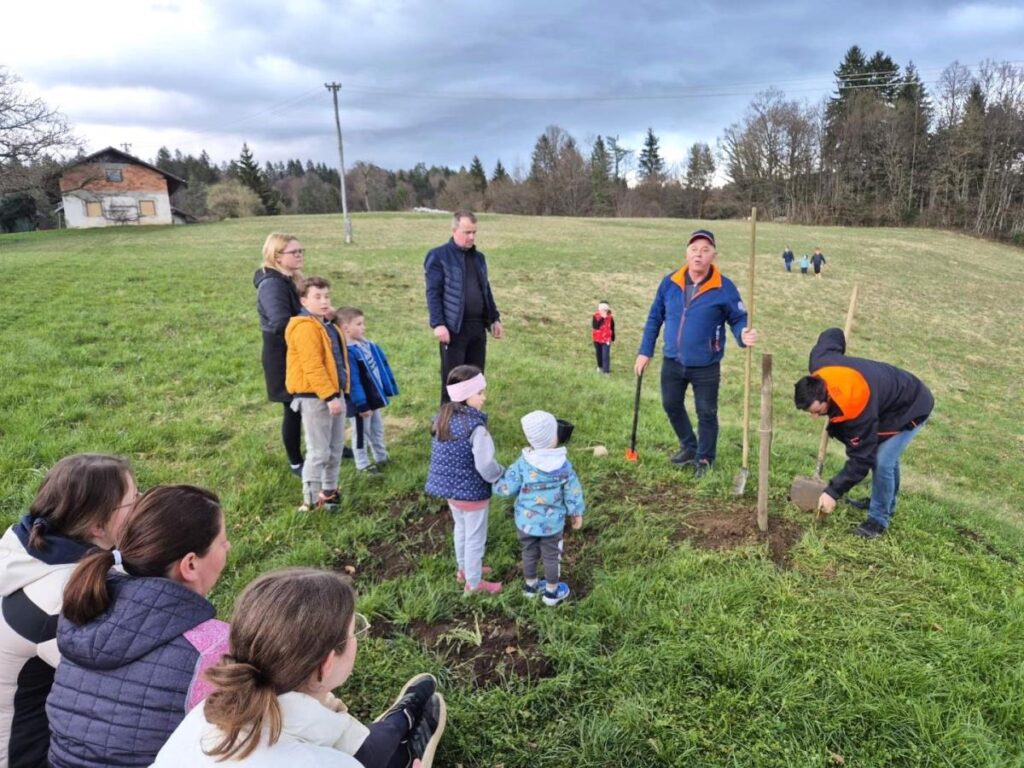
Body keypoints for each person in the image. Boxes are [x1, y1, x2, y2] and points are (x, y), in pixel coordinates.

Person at [152, 568, 446, 768]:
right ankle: (406, 736)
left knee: (373, 742)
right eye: (355, 631)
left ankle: (402, 719)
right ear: (326, 664)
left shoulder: (205, 715)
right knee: (386, 752)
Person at [47, 485, 232, 768]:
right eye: (222, 541)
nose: (228, 546)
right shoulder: (214, 646)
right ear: (190, 565)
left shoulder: (86, 609)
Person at [0, 454, 136, 768]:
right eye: (134, 501)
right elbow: (121, 685)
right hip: (28, 755)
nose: (142, 506)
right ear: (98, 527)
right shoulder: (63, 601)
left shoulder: (25, 545)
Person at [635, 228, 759, 477]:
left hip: (706, 365)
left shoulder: (724, 287)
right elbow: (654, 317)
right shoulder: (670, 282)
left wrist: (743, 335)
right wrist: (644, 351)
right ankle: (690, 446)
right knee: (671, 404)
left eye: (705, 250)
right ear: (687, 253)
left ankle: (704, 458)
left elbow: (738, 318)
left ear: (714, 254)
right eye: (694, 249)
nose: (699, 255)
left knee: (706, 412)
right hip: (673, 360)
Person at [793, 328, 934, 538]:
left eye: (817, 412)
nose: (815, 417)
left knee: (882, 460)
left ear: (828, 398)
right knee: (885, 457)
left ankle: (878, 520)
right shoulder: (821, 362)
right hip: (884, 398)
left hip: (910, 405)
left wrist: (832, 493)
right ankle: (884, 500)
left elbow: (861, 460)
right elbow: (832, 335)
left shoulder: (856, 409)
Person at [424, 365, 504, 594]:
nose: (484, 397)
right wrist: (500, 474)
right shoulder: (475, 428)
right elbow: (485, 465)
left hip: (451, 492)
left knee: (461, 529)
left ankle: (464, 570)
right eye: (480, 392)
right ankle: (474, 582)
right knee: (475, 537)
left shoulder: (443, 417)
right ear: (466, 395)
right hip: (472, 493)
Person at [493, 411, 585, 607]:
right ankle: (551, 593)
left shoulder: (523, 463)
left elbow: (507, 487)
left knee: (529, 552)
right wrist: (576, 512)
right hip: (552, 525)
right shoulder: (563, 465)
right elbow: (573, 491)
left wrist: (494, 483)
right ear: (554, 436)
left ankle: (530, 587)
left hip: (526, 523)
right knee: (552, 556)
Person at [424, 210, 503, 404]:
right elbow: (433, 292)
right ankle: (447, 426)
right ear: (454, 230)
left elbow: (486, 289)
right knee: (453, 382)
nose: (472, 237)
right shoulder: (438, 256)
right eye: (467, 232)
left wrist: (494, 318)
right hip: (453, 329)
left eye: (474, 232)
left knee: (476, 381)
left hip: (477, 329)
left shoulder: (479, 258)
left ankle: (471, 423)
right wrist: (438, 324)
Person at [286, 277, 351, 511]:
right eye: (317, 297)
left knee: (334, 449)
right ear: (304, 301)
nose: (324, 301)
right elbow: (312, 366)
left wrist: (340, 393)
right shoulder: (304, 328)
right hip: (316, 397)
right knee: (319, 451)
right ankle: (310, 501)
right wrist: (329, 396)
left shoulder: (328, 326)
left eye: (327, 296)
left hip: (335, 393)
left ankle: (329, 492)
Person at [255, 232, 308, 478]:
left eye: (301, 251)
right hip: (282, 355)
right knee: (293, 408)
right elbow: (280, 323)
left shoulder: (289, 280)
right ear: (277, 256)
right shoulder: (272, 284)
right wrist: (309, 325)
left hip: (299, 351)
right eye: (294, 252)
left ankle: (328, 447)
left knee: (314, 404)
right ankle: (296, 461)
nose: (299, 256)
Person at [337, 307, 399, 475]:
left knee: (376, 429)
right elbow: (354, 381)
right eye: (359, 324)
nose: (364, 327)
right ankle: (362, 465)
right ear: (345, 328)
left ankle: (381, 457)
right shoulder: (349, 352)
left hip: (373, 398)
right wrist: (362, 404)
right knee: (360, 434)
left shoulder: (366, 344)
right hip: (360, 403)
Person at [591, 301, 615, 374]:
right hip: (597, 339)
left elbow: (612, 327)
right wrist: (602, 318)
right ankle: (600, 366)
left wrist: (613, 336)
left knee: (605, 355)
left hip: (606, 339)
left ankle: (606, 371)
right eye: (601, 309)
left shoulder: (610, 317)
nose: (603, 311)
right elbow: (595, 326)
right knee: (599, 353)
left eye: (605, 310)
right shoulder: (595, 316)